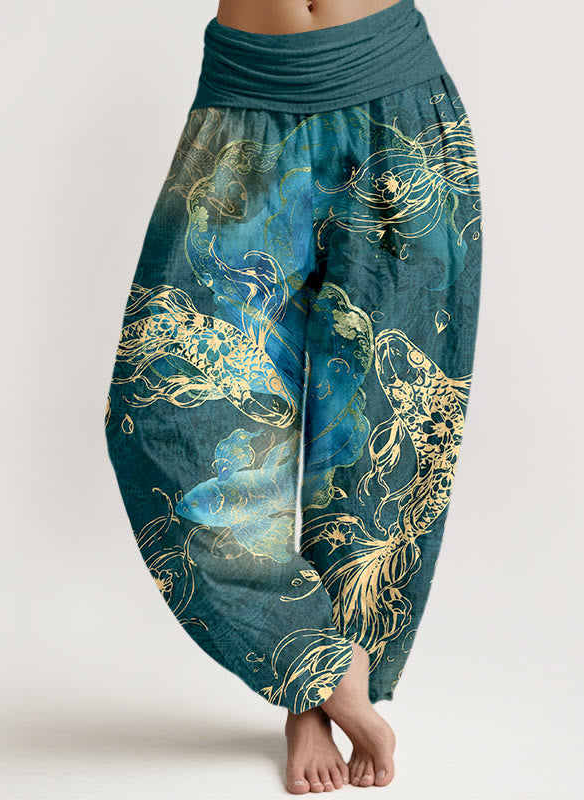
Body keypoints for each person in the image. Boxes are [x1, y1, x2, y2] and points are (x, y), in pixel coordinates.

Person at [104, 0, 483, 793]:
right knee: (166, 414)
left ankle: (315, 699)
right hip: (244, 102)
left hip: (396, 106)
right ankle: (318, 665)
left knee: (378, 430)